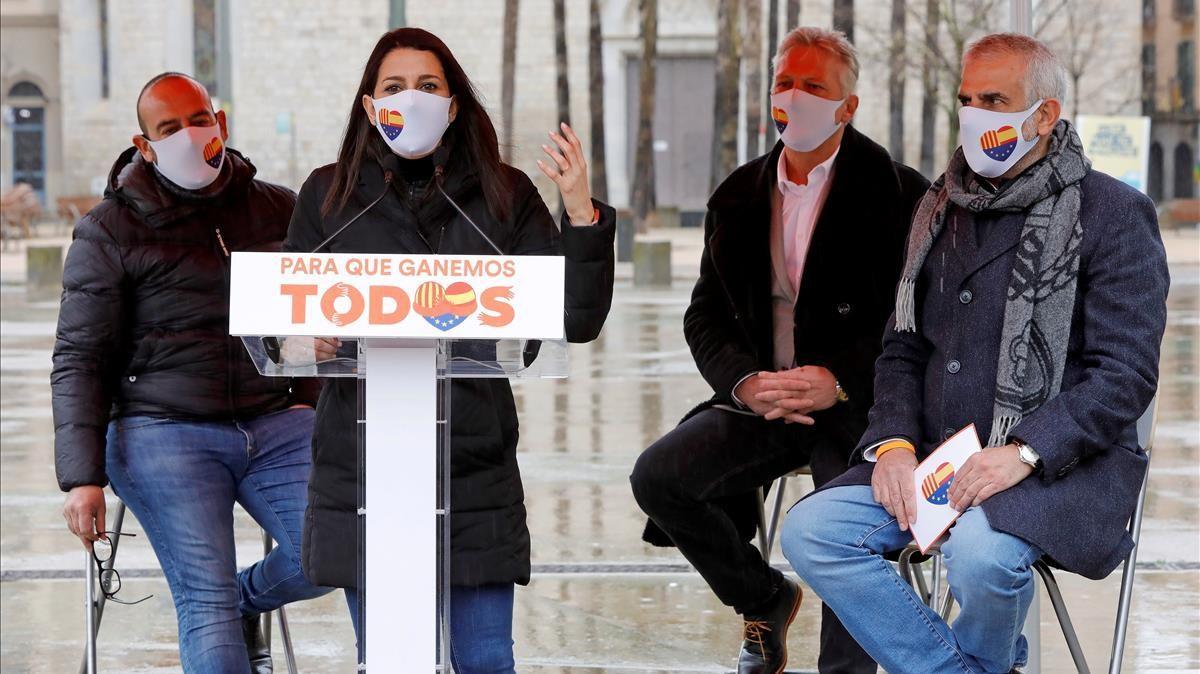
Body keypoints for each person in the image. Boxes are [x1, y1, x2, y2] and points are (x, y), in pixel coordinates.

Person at [781, 33, 1169, 674]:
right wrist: (894, 443)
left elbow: (1124, 375)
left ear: (1045, 115)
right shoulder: (938, 207)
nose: (976, 115)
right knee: (812, 532)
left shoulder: (1114, 213)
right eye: (967, 98)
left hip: (1056, 466)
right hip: (939, 459)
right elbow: (901, 348)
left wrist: (1024, 451)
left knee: (981, 556)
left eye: (995, 99)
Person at [283, 28, 615, 673]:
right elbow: (283, 318)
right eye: (394, 87)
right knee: (387, 659)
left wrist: (579, 213)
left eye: (429, 86)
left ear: (456, 102)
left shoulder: (506, 193)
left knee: (485, 661)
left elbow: (574, 318)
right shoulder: (327, 197)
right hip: (362, 465)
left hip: (472, 465)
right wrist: (298, 338)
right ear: (369, 105)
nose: (413, 99)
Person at [630, 27, 929, 674]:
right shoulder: (737, 195)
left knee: (851, 531)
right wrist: (743, 382)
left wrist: (840, 381)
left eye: (813, 86)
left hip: (861, 410)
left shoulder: (900, 193)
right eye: (784, 82)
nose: (793, 96)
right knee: (659, 477)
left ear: (848, 106)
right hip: (764, 403)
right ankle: (765, 598)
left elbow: (916, 320)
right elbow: (705, 314)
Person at [53, 72, 332, 674]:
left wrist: (307, 398)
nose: (188, 134)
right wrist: (82, 478)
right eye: (168, 127)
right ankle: (221, 605)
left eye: (198, 119)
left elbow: (317, 311)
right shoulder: (109, 229)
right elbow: (80, 356)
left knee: (339, 550)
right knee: (203, 602)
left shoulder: (278, 208)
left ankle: (244, 599)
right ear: (144, 144)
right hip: (160, 430)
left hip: (274, 420)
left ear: (221, 124)